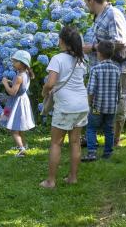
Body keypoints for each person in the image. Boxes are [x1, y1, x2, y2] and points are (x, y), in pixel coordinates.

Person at [82, 0, 126, 147]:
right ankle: (94, 137)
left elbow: (120, 42)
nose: (85, 5)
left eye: (85, 2)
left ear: (91, 1)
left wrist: (94, 47)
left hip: (116, 68)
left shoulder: (113, 14)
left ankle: (115, 140)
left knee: (118, 101)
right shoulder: (100, 15)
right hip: (100, 68)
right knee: (97, 102)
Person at [40, 26, 89, 188]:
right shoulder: (81, 60)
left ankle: (51, 181)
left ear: (61, 41)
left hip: (66, 107)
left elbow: (51, 83)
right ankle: (73, 178)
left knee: (56, 143)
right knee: (75, 142)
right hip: (82, 104)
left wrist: (44, 91)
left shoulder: (58, 59)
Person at [82, 40, 120, 162]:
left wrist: (89, 103)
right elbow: (119, 89)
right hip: (111, 107)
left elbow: (91, 90)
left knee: (91, 127)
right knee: (109, 129)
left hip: (97, 107)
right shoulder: (116, 69)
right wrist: (116, 102)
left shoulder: (95, 69)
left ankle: (92, 152)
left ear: (98, 53)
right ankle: (108, 153)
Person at [0, 50, 36, 157]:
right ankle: (23, 144)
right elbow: (20, 86)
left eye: (15, 61)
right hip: (22, 100)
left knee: (13, 128)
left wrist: (5, 83)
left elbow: (12, 92)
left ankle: (21, 149)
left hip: (16, 103)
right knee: (19, 126)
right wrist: (12, 82)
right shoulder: (25, 74)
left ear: (22, 63)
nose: (13, 63)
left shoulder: (19, 77)